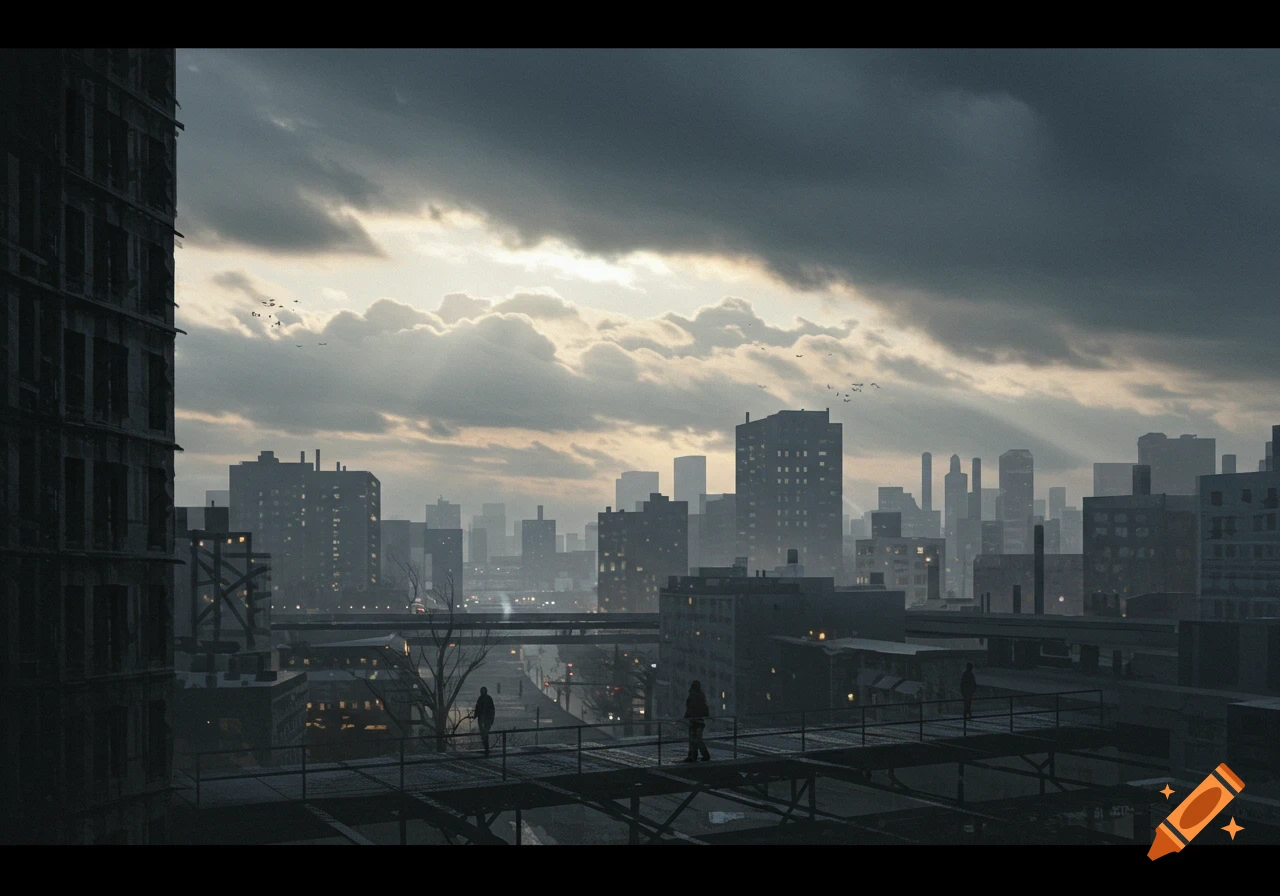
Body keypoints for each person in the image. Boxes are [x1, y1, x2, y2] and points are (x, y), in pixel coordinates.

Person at [683, 680, 711, 762]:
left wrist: (687, 716)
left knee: (693, 739)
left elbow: (689, 708)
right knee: (697, 739)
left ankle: (693, 756)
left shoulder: (692, 696)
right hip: (699, 721)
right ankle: (703, 755)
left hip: (693, 720)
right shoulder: (701, 696)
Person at [474, 687, 496, 757]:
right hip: (482, 719)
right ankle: (486, 748)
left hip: (487, 719)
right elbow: (477, 707)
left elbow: (492, 710)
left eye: (484, 691)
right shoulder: (480, 698)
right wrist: (475, 715)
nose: (483, 692)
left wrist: (491, 719)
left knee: (485, 734)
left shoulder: (488, 698)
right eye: (482, 691)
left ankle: (486, 749)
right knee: (483, 734)